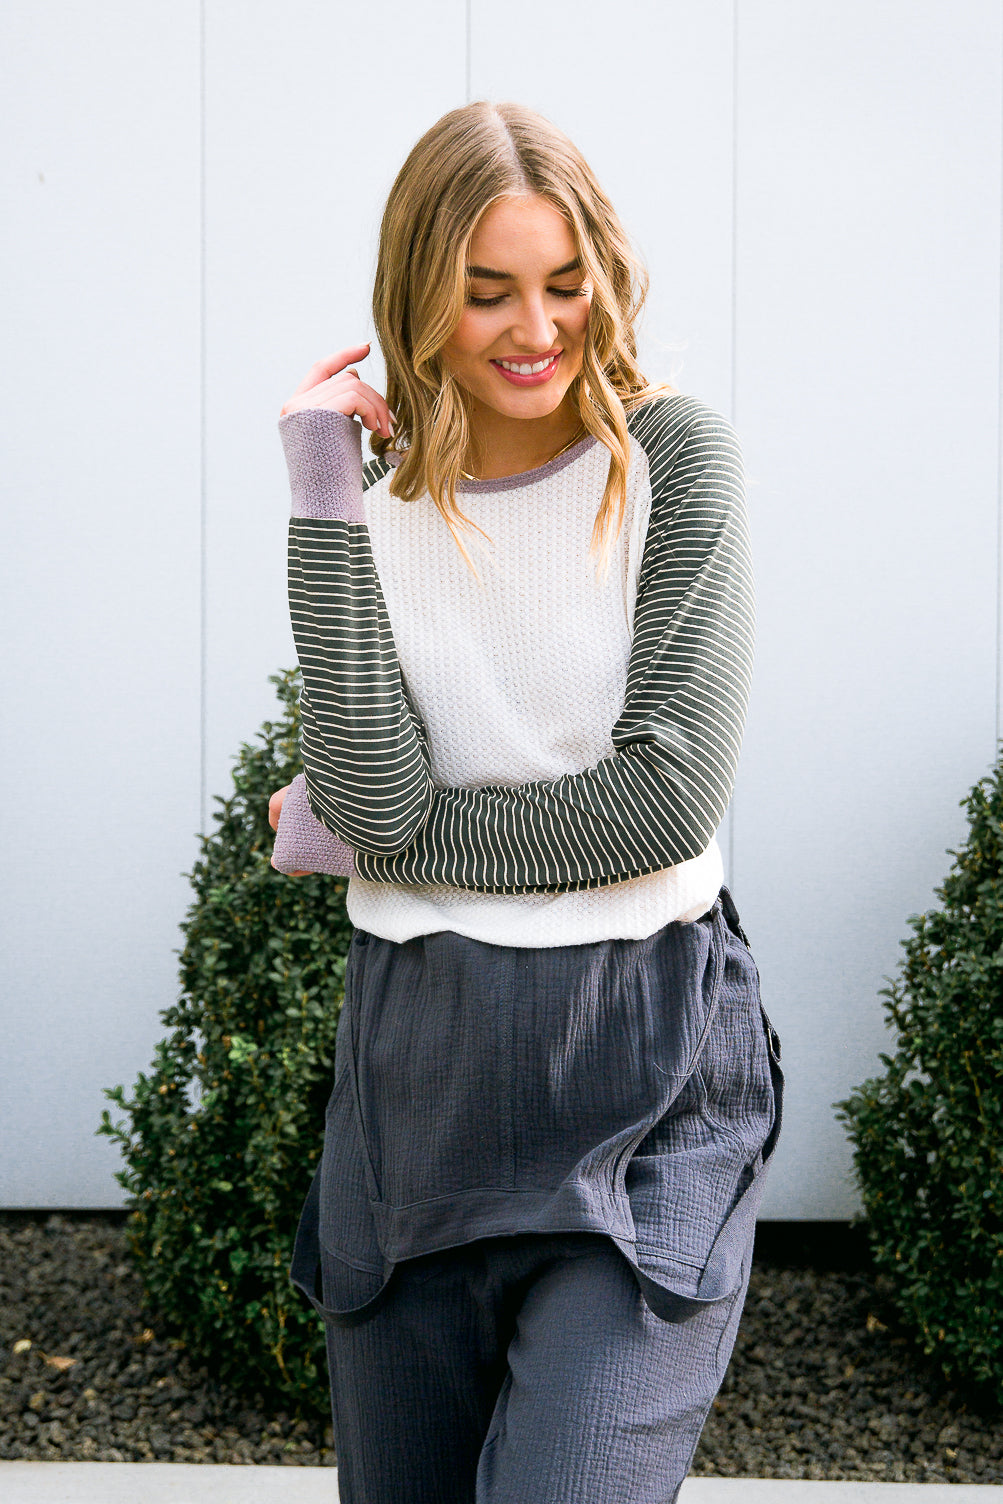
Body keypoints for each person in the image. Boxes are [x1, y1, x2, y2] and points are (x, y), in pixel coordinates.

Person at [267, 100, 784, 1504]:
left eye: (565, 283)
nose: (536, 328)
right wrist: (319, 480)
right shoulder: (368, 505)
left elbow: (661, 803)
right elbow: (369, 789)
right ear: (417, 290)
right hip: (416, 1083)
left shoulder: (672, 460)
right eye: (488, 290)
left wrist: (379, 836)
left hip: (647, 1064)